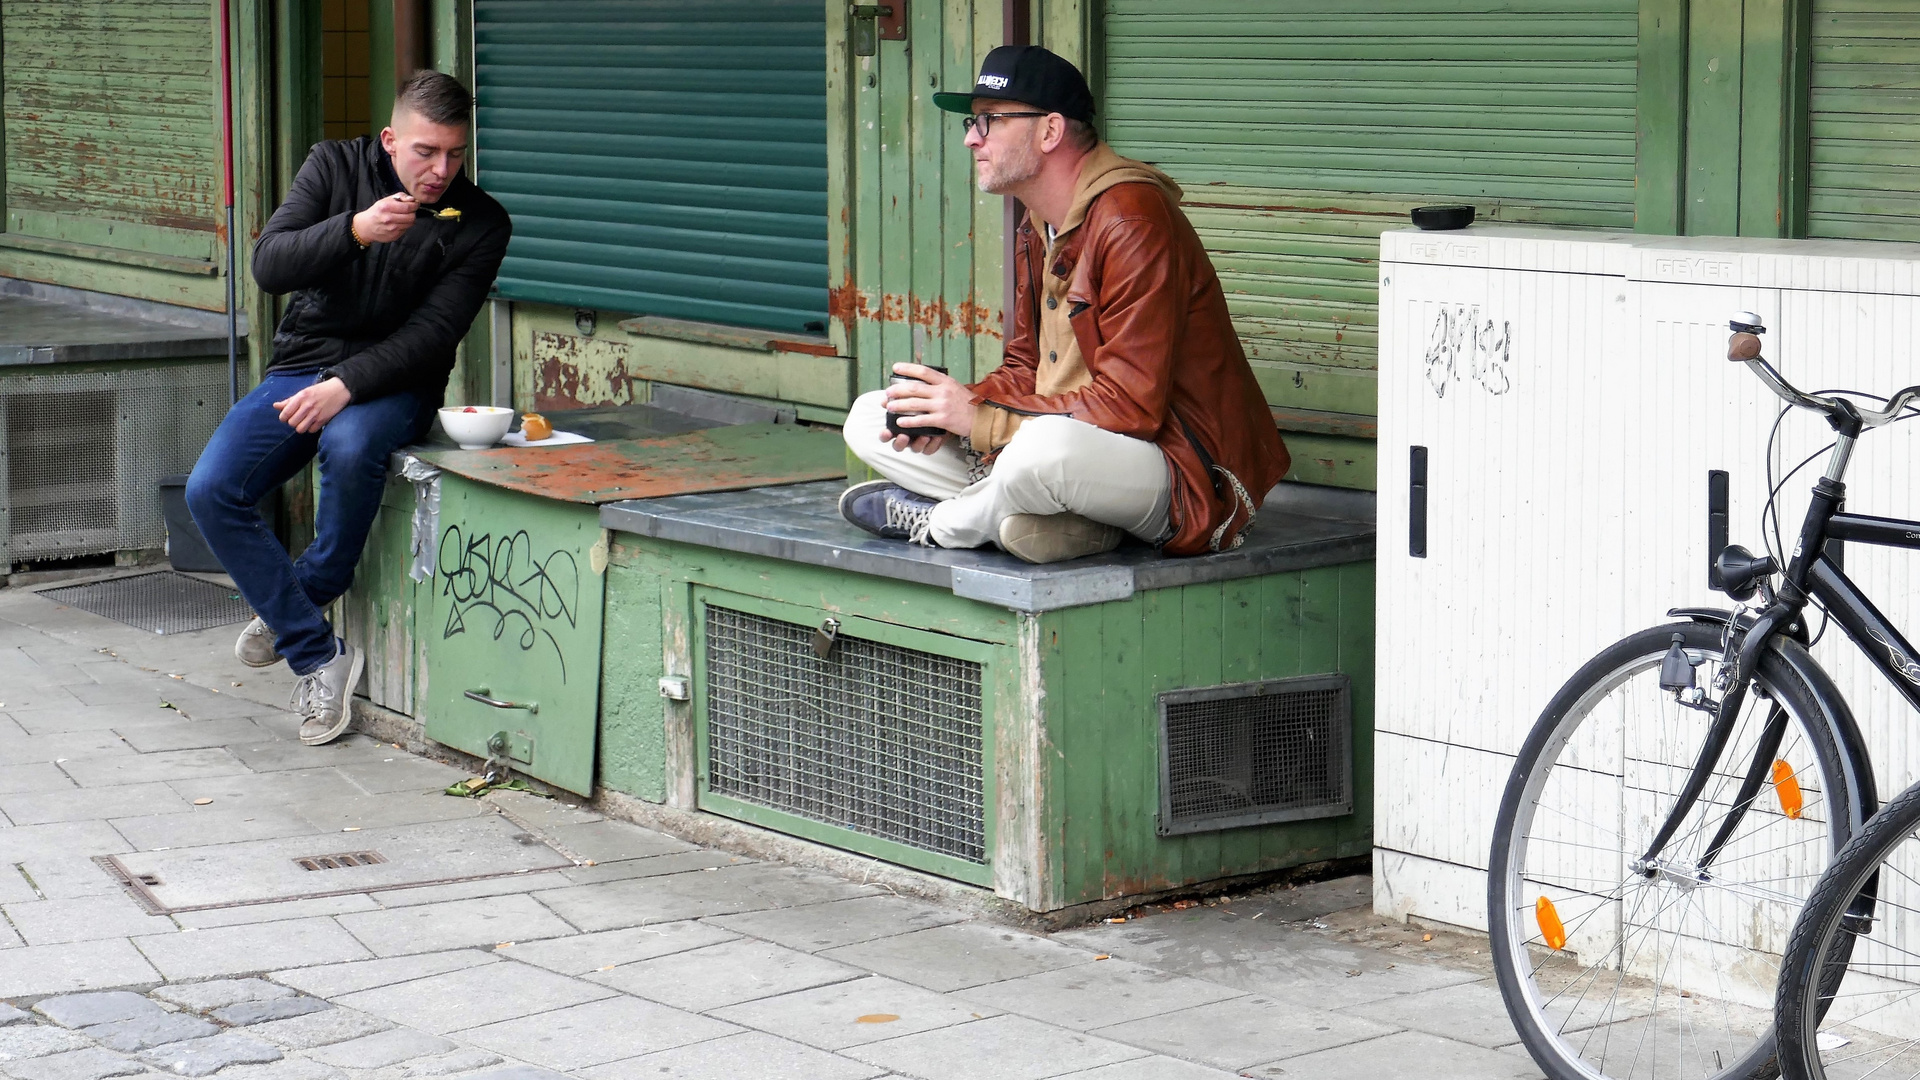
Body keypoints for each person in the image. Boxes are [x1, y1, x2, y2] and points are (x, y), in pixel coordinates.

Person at [838, 45, 1287, 564]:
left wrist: (977, 417)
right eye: (972, 122)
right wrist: (951, 411)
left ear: (1049, 131)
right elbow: (1026, 367)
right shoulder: (1041, 222)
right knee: (874, 415)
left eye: (989, 122)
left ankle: (944, 522)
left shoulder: (1132, 222)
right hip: (1071, 448)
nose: (969, 139)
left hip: (1181, 474)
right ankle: (1041, 521)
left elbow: (1131, 409)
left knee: (1040, 453)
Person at [186, 71, 510, 746]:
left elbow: (434, 335)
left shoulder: (480, 222)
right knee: (211, 489)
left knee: (352, 444)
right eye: (426, 152)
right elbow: (270, 265)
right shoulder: (333, 166)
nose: (441, 170)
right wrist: (353, 231)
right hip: (303, 365)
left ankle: (301, 614)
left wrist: (348, 385)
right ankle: (320, 648)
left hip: (398, 381)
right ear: (391, 140)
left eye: (455, 154)